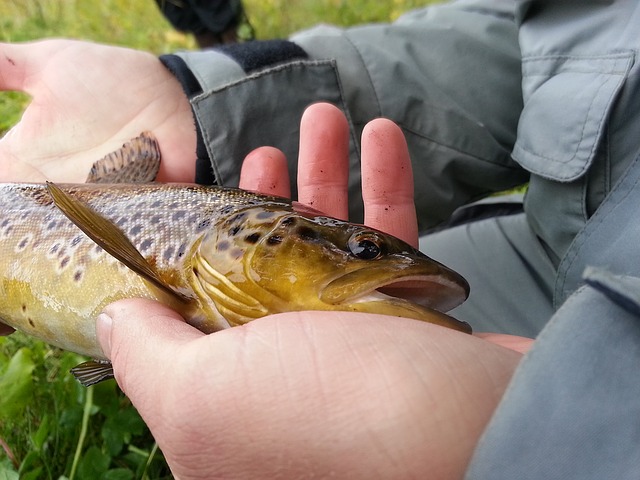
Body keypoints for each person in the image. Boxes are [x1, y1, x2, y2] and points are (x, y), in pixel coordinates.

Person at [1, 0, 640, 477]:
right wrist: (195, 95)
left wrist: (483, 443)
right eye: (362, 249)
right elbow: (534, 45)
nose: (372, 254)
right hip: (561, 250)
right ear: (245, 237)